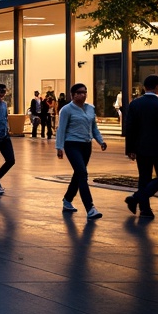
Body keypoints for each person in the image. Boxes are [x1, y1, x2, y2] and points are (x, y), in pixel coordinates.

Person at [56, 82, 106, 218]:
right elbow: (61, 129)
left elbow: (94, 127)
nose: (82, 95)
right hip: (72, 144)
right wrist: (59, 147)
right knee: (82, 173)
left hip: (86, 145)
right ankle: (90, 208)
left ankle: (67, 200)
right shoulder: (66, 110)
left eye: (84, 92)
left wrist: (100, 140)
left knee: (78, 174)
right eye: (79, 92)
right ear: (73, 95)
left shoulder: (90, 108)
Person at [123, 74, 158, 218]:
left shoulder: (135, 104)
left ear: (144, 87)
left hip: (141, 147)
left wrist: (130, 149)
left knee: (144, 177)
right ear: (157, 87)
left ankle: (145, 209)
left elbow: (129, 127)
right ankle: (137, 198)